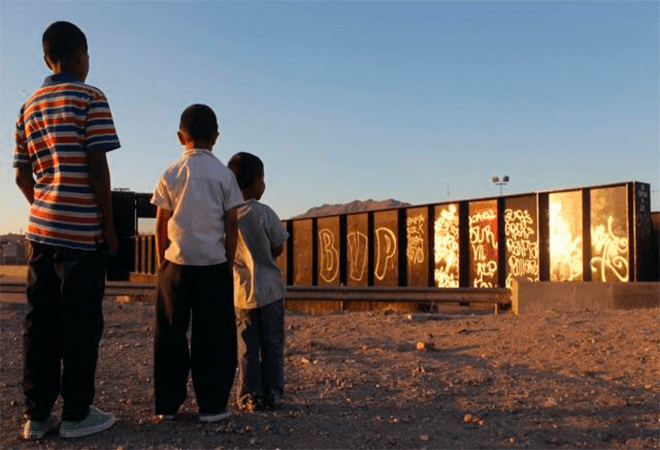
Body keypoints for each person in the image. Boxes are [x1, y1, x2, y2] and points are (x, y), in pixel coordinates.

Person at [13, 21, 120, 440]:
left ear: (46, 58)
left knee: (40, 324)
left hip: (40, 233)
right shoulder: (90, 97)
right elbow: (98, 166)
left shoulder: (28, 105)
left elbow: (22, 175)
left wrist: (44, 206)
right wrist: (108, 227)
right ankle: (77, 413)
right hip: (82, 237)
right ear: (81, 56)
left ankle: (36, 417)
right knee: (81, 324)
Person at [151, 104, 243, 423]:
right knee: (214, 336)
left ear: (181, 137)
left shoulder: (171, 173)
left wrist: (161, 261)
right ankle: (213, 405)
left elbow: (161, 223)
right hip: (214, 265)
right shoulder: (224, 176)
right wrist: (227, 262)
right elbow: (231, 225)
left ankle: (167, 405)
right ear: (216, 137)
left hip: (176, 264)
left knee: (170, 335)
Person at [227, 152, 289, 411]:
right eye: (263, 179)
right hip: (270, 292)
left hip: (242, 295)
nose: (264, 185)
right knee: (273, 344)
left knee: (247, 347)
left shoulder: (228, 217)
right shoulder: (264, 212)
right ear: (254, 181)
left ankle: (249, 395)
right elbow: (278, 245)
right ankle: (273, 392)